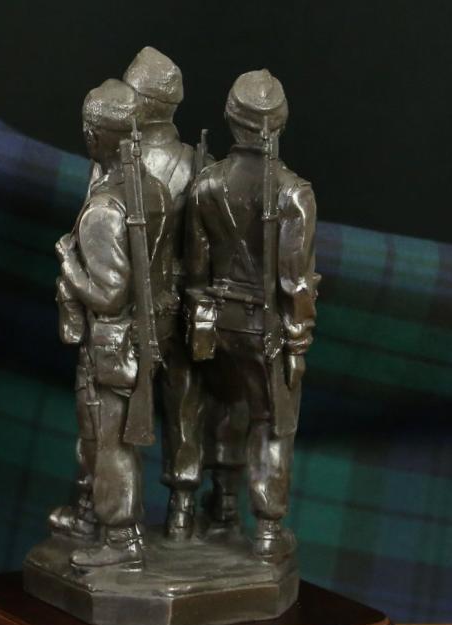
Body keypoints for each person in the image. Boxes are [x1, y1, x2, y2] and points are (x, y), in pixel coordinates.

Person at [185, 69, 319, 557]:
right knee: (272, 422)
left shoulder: (206, 185)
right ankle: (266, 526)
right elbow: (296, 282)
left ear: (231, 118)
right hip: (267, 330)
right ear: (280, 122)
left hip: (217, 322)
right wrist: (298, 340)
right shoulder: (293, 193)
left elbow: (196, 268)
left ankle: (220, 504)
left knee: (222, 407)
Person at [54, 78, 175, 567]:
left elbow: (107, 296)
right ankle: (103, 522)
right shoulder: (156, 190)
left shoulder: (105, 208)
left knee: (111, 442)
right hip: (147, 335)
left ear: (94, 135)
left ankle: (120, 539)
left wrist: (68, 263)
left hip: (113, 343)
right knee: (116, 438)